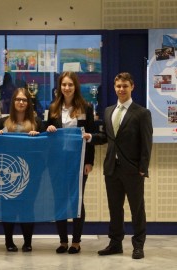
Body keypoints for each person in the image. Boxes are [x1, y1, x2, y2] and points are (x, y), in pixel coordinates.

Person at [83, 72, 153, 259]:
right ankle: (115, 244)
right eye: (118, 86)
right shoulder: (108, 111)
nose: (121, 89)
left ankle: (138, 245)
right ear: (115, 88)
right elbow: (106, 137)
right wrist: (90, 138)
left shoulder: (142, 113)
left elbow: (146, 144)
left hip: (133, 170)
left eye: (125, 86)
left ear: (132, 87)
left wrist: (143, 168)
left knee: (137, 209)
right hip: (111, 169)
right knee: (115, 208)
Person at [46, 71, 95, 254]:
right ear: (60, 87)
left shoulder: (86, 107)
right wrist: (48, 127)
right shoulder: (53, 108)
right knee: (59, 200)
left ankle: (76, 241)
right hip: (57, 162)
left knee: (77, 201)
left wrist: (89, 162)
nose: (67, 88)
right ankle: (63, 241)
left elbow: (91, 135)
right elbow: (47, 134)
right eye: (64, 85)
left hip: (79, 160)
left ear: (76, 87)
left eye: (70, 85)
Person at [0, 87, 44, 252]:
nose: (21, 102)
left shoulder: (38, 124)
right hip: (7, 174)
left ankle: (27, 242)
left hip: (31, 173)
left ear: (28, 103)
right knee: (7, 206)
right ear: (13, 102)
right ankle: (9, 241)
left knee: (28, 206)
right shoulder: (2, 123)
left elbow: (47, 146)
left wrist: (39, 137)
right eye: (18, 99)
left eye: (24, 100)